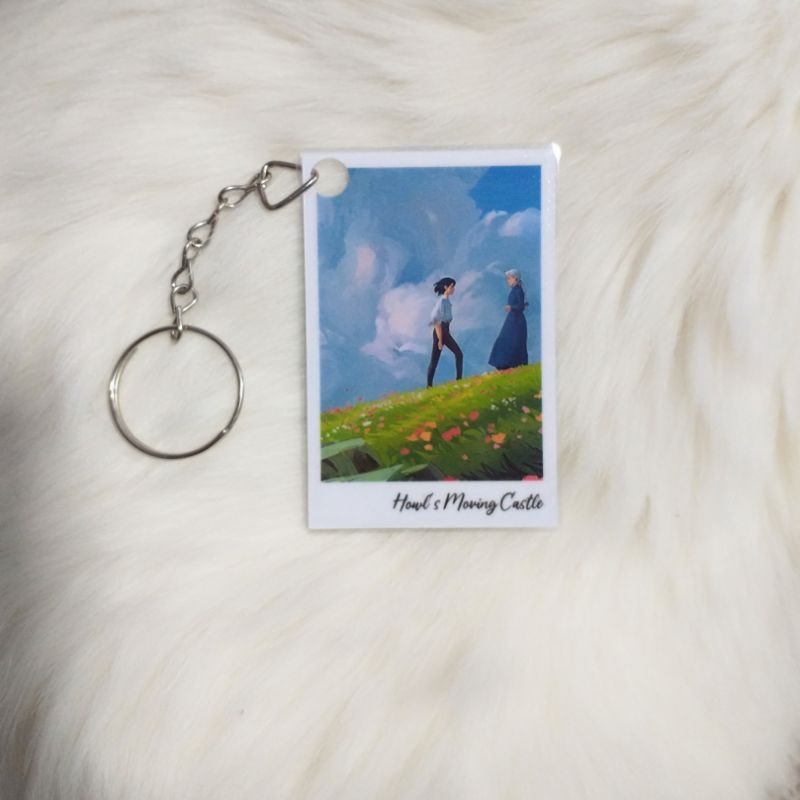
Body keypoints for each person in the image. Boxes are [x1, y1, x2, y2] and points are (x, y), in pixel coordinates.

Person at [488, 268, 528, 370]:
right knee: (506, 340)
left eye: (509, 278)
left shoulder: (518, 291)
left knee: (512, 341)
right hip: (512, 319)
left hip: (516, 321)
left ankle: (509, 364)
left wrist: (511, 307)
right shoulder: (515, 290)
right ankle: (504, 364)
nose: (508, 281)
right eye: (507, 279)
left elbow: (521, 306)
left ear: (515, 278)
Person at [427, 277, 463, 387]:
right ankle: (429, 385)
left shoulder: (447, 301)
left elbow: (446, 321)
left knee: (458, 354)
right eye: (452, 287)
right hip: (440, 332)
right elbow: (436, 321)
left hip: (445, 331)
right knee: (435, 360)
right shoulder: (442, 302)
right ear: (446, 287)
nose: (454, 289)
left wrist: (447, 332)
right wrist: (440, 339)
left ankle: (459, 380)